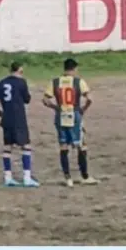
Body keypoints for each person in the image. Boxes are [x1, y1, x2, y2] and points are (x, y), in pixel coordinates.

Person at [42, 58, 97, 187]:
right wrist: (83, 109)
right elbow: (90, 99)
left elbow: (45, 100)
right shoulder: (79, 82)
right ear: (74, 69)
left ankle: (68, 178)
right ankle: (85, 176)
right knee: (80, 145)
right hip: (74, 114)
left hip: (61, 114)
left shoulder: (55, 82)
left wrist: (55, 107)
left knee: (63, 145)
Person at [0, 62, 39, 188]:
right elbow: (27, 99)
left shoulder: (2, 83)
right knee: (25, 145)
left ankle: (8, 177)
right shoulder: (21, 82)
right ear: (20, 70)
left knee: (7, 146)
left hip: (6, 118)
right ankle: (26, 178)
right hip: (18, 118)